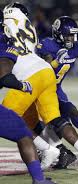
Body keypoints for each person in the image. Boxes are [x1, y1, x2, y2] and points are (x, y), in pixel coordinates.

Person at [2, 2, 78, 171]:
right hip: (45, 72)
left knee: (8, 118)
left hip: (28, 77)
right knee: (53, 118)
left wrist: (21, 84)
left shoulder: (6, 30)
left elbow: (5, 72)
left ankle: (48, 150)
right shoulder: (28, 28)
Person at [35, 16, 78, 169]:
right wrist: (55, 62)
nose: (73, 38)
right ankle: (53, 150)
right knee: (47, 122)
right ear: (58, 35)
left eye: (74, 34)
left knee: (66, 116)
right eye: (68, 35)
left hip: (56, 89)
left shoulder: (77, 45)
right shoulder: (47, 45)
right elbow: (44, 71)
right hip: (42, 89)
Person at [0, 9, 55, 184]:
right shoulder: (4, 42)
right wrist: (22, 85)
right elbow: (5, 76)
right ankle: (39, 180)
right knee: (24, 135)